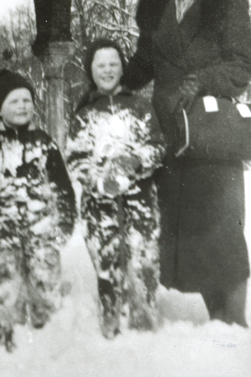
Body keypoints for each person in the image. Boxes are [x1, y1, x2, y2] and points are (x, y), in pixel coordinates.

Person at [122, 0, 251, 327]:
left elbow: (242, 64)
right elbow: (146, 60)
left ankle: (234, 322)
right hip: (171, 132)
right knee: (189, 228)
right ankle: (215, 318)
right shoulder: (160, 1)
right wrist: (113, 85)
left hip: (212, 131)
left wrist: (200, 82)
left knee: (223, 230)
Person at [0, 70, 76, 350]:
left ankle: (48, 341)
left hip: (41, 233)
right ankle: (5, 339)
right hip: (4, 234)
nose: (23, 106)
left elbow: (62, 189)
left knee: (45, 285)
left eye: (27, 100)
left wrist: (63, 226)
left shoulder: (45, 144)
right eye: (14, 101)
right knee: (6, 289)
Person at [66, 39, 166, 339]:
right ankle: (111, 325)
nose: (107, 70)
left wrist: (135, 161)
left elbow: (158, 147)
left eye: (113, 64)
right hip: (99, 207)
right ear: (91, 71)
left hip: (139, 202)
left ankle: (144, 325)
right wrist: (99, 181)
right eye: (100, 65)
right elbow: (75, 158)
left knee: (143, 260)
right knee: (107, 264)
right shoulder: (84, 113)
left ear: (122, 68)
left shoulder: (140, 107)